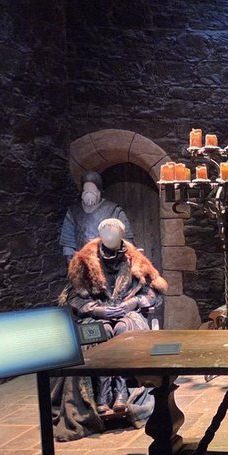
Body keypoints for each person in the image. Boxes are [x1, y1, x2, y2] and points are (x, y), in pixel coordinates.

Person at [56, 218, 165, 438]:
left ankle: (122, 393)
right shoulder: (83, 261)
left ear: (122, 236)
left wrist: (134, 303)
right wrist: (95, 309)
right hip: (96, 315)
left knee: (125, 330)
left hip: (129, 314)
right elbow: (72, 297)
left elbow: (154, 292)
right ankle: (102, 397)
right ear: (100, 236)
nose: (110, 239)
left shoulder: (137, 261)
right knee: (100, 332)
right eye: (106, 235)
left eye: (114, 235)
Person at [60, 170, 134, 265]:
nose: (89, 194)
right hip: (82, 262)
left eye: (93, 190)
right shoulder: (73, 212)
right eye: (86, 190)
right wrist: (71, 261)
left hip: (110, 263)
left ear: (99, 191)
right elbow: (68, 242)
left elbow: (127, 240)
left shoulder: (114, 210)